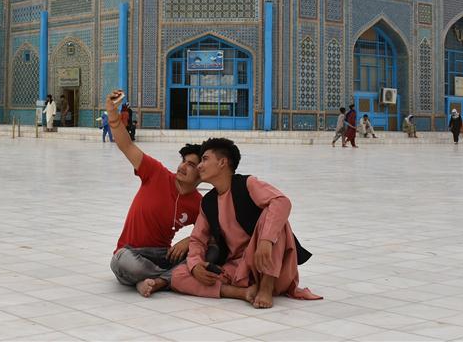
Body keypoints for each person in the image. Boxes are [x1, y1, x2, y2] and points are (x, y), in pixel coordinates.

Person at [170, 138, 321, 309]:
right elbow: (197, 240)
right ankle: (241, 293)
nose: (199, 166)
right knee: (178, 276)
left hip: (269, 261)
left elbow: (282, 202)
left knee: (271, 214)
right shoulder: (208, 202)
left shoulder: (247, 184)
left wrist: (265, 241)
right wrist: (196, 265)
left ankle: (266, 286)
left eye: (205, 159)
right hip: (238, 269)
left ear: (222, 162)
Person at [107, 89, 203, 298]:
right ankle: (168, 279)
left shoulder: (198, 203)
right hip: (129, 252)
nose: (183, 167)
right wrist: (113, 115)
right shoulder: (156, 173)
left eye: (191, 165)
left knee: (204, 255)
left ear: (201, 173)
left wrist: (189, 241)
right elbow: (126, 145)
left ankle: (156, 281)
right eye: (183, 161)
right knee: (129, 265)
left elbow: (212, 234)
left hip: (161, 254)